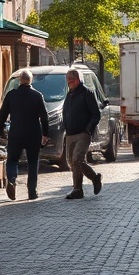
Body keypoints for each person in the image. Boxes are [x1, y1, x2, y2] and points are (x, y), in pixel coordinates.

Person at [0, 68, 49, 200]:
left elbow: (2, 115)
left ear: (20, 80)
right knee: (32, 161)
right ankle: (32, 191)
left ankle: (12, 180)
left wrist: (1, 130)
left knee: (12, 159)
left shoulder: (11, 95)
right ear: (30, 80)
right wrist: (46, 134)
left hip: (16, 132)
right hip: (33, 132)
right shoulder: (37, 95)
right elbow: (44, 116)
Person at [62, 68, 103, 199]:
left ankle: (94, 178)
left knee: (77, 159)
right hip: (70, 133)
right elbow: (65, 112)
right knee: (72, 162)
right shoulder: (69, 94)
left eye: (72, 80)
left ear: (78, 79)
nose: (69, 82)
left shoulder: (87, 93)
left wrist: (88, 128)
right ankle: (78, 190)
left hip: (83, 133)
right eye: (68, 80)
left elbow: (96, 114)